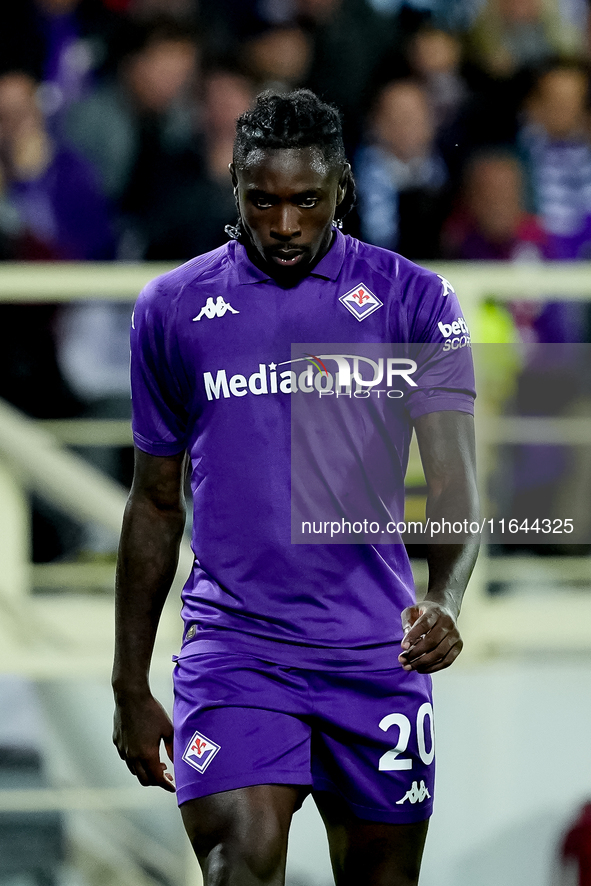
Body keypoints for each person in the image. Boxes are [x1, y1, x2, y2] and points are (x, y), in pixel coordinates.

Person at [112, 89, 479, 886]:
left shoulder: (413, 301)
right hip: (234, 653)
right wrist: (128, 682)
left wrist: (445, 598)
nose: (283, 226)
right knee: (236, 866)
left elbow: (454, 486)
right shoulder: (172, 310)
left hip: (373, 656)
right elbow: (151, 502)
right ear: (235, 190)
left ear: (341, 187)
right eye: (263, 201)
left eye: (305, 201)